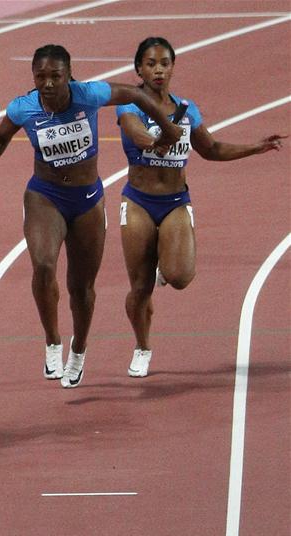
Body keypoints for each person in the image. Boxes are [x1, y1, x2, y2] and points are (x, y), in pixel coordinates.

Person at [0, 44, 182, 388]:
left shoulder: (89, 94)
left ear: (69, 75)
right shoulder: (24, 107)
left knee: (81, 288)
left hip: (88, 199)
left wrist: (166, 129)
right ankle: (52, 341)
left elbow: (135, 95)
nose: (47, 83)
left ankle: (78, 349)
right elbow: (0, 136)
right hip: (44, 196)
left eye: (55, 76)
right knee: (44, 265)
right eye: (40, 76)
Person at [116, 37, 285, 377]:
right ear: (139, 69)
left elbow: (211, 149)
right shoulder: (130, 106)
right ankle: (142, 346)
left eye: (164, 63)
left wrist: (256, 148)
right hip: (138, 202)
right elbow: (136, 134)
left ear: (173, 67)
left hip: (176, 201)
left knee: (180, 277)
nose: (158, 69)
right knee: (139, 288)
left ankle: (168, 263)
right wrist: (157, 140)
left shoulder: (187, 109)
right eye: (150, 64)